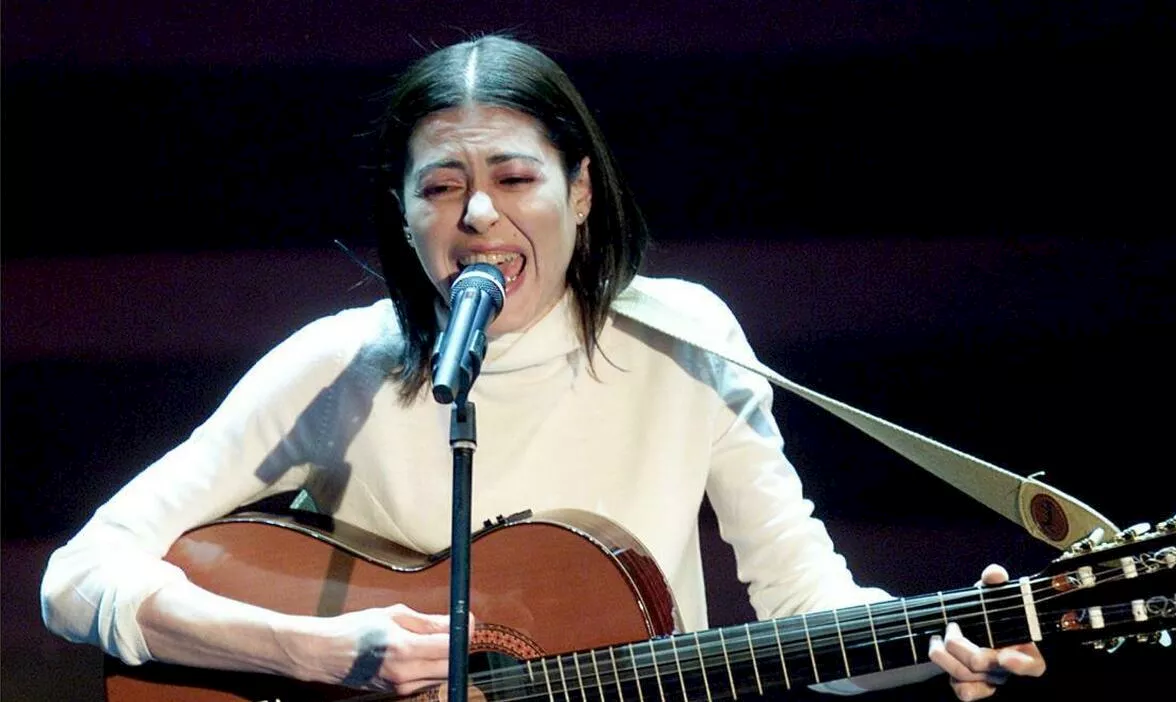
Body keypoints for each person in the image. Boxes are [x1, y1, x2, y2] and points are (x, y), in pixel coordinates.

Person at [40, 34, 1044, 700]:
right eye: (441, 186)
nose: (479, 215)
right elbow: (77, 577)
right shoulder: (338, 369)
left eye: (515, 177)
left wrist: (939, 639)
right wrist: (310, 650)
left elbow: (803, 607)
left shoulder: (684, 339)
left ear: (581, 192)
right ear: (402, 214)